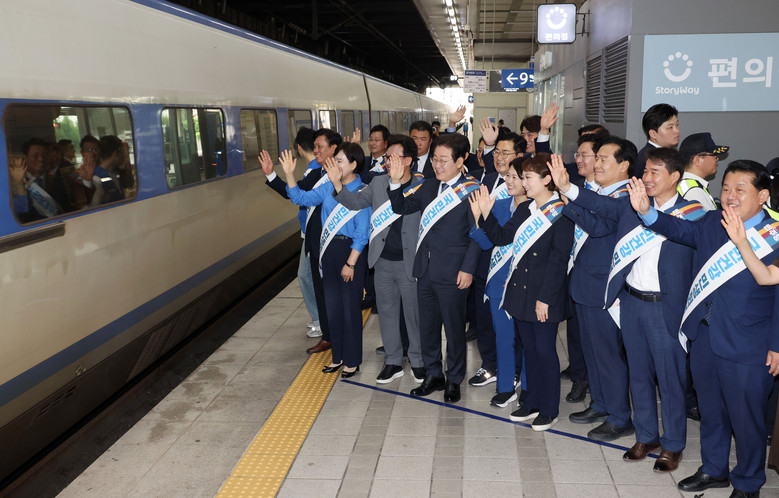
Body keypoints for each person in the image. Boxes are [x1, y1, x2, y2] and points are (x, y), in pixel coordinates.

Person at [629, 160, 779, 497]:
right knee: (711, 409)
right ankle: (714, 469)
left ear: (762, 195)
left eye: (740, 189)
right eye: (725, 188)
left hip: (750, 343)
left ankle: (748, 481)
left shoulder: (775, 234)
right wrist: (647, 213)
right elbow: (679, 229)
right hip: (706, 333)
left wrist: (777, 344)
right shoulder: (713, 221)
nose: (730, 196)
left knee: (747, 418)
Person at [550, 148, 705, 471]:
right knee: (639, 374)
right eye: (645, 171)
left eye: (654, 172)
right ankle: (646, 435)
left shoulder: (694, 214)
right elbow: (600, 205)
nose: (646, 177)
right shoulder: (632, 204)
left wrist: (649, 213)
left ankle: (673, 444)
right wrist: (567, 187)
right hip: (632, 303)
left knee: (670, 380)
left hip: (666, 308)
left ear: (675, 177)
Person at [472, 153, 574, 431]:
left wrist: (545, 299)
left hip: (544, 297)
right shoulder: (525, 209)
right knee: (529, 350)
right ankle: (531, 401)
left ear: (547, 179)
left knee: (545, 352)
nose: (523, 183)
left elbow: (558, 262)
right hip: (520, 293)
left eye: (528, 177)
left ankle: (549, 409)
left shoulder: (562, 214)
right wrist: (485, 214)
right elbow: (502, 238)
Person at [387, 133, 481, 403]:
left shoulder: (472, 191)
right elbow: (402, 207)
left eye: (443, 160)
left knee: (454, 330)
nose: (437, 165)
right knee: (427, 328)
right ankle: (433, 374)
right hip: (425, 270)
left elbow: (477, 234)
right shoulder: (427, 186)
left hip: (455, 272)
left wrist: (468, 269)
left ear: (461, 161)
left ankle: (454, 379)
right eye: (435, 160)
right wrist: (395, 182)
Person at [334, 135, 426, 384]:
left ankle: (418, 361)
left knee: (413, 315)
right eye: (386, 157)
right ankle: (393, 361)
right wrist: (337, 184)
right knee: (386, 313)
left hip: (410, 262)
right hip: (382, 261)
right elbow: (354, 203)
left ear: (408, 160)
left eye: (393, 157)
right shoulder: (377, 183)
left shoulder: (422, 186)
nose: (387, 161)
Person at [562, 137, 635, 442]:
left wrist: (569, 194)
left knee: (607, 355)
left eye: (605, 159)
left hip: (606, 290)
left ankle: (620, 417)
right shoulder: (600, 193)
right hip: (586, 285)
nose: (598, 164)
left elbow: (599, 225)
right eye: (598, 158)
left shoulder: (628, 196)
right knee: (592, 352)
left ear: (624, 165)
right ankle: (601, 403)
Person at [282, 142, 371, 377]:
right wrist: (289, 175)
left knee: (350, 310)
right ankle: (338, 357)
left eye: (339, 161)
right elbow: (301, 198)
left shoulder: (363, 191)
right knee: (333, 309)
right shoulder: (327, 186)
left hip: (350, 253)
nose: (334, 165)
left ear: (353, 165)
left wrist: (350, 263)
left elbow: (362, 233)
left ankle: (352, 360)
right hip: (329, 251)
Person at [264, 128, 342, 354]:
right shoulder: (318, 173)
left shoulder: (340, 174)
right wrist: (273, 175)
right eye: (314, 146)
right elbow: (298, 195)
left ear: (333, 149)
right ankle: (328, 336)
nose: (315, 150)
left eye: (320, 146)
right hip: (315, 242)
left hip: (332, 242)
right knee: (321, 291)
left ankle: (337, 337)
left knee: (332, 293)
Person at [468, 155, 529, 408]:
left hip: (524, 284)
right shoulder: (499, 204)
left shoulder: (539, 210)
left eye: (516, 177)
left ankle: (529, 387)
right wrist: (478, 217)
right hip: (497, 283)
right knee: (503, 338)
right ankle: (505, 387)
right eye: (508, 176)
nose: (509, 181)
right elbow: (485, 243)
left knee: (527, 341)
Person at [559, 130, 609, 403]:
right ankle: (580, 377)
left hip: (599, 275)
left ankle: (598, 384)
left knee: (599, 339)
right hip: (572, 268)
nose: (578, 160)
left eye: (585, 155)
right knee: (575, 330)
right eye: (577, 155)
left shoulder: (610, 193)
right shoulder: (573, 186)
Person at [260, 127, 322, 338]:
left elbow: (294, 194)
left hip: (314, 232)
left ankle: (320, 320)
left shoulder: (316, 170)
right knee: (308, 275)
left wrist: (272, 175)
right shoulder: (314, 168)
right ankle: (319, 318)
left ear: (299, 148)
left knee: (306, 275)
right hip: (310, 231)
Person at [677, 132, 730, 211]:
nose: (717, 159)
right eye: (713, 155)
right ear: (697, 160)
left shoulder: (686, 184)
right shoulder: (694, 191)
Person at [635, 103, 679, 179]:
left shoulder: (667, 154)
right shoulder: (647, 159)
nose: (677, 131)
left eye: (677, 125)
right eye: (670, 127)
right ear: (653, 134)